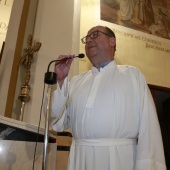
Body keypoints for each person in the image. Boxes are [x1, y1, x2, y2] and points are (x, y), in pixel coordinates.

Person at [49, 25, 166, 170]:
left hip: (120, 160)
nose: (89, 41)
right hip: (80, 159)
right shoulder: (76, 82)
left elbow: (149, 129)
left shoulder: (133, 76)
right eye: (86, 38)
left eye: (95, 35)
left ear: (112, 41)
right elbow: (56, 122)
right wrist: (60, 81)